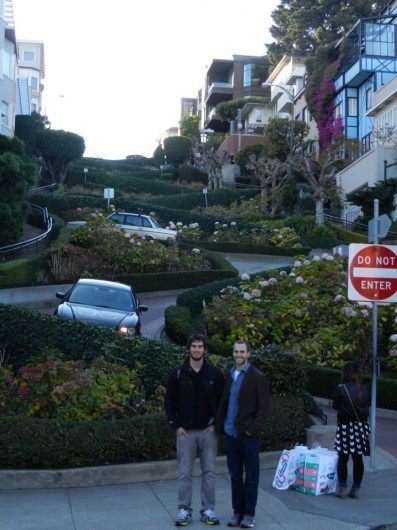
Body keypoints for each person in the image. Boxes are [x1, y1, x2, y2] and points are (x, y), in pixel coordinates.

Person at [165, 334, 225, 527]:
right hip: (186, 433)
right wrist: (176, 426)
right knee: (185, 473)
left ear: (205, 350)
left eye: (200, 346)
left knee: (209, 472)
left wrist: (216, 424)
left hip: (208, 433)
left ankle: (208, 509)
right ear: (188, 349)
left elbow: (223, 402)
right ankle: (184, 510)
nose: (197, 349)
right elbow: (169, 403)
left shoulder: (214, 374)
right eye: (194, 346)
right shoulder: (178, 373)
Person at [215, 340, 270, 529]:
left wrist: (252, 430)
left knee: (252, 477)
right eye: (236, 351)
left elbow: (264, 408)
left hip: (248, 436)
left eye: (242, 352)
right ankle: (237, 512)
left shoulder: (257, 377)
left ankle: (249, 514)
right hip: (231, 435)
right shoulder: (229, 374)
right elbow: (224, 402)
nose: (239, 355)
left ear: (248, 353)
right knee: (235, 477)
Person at [332, 360, 370, 499]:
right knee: (357, 458)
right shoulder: (364, 388)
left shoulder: (342, 389)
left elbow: (335, 406)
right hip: (361, 426)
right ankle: (356, 488)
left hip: (345, 426)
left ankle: (342, 487)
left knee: (343, 457)